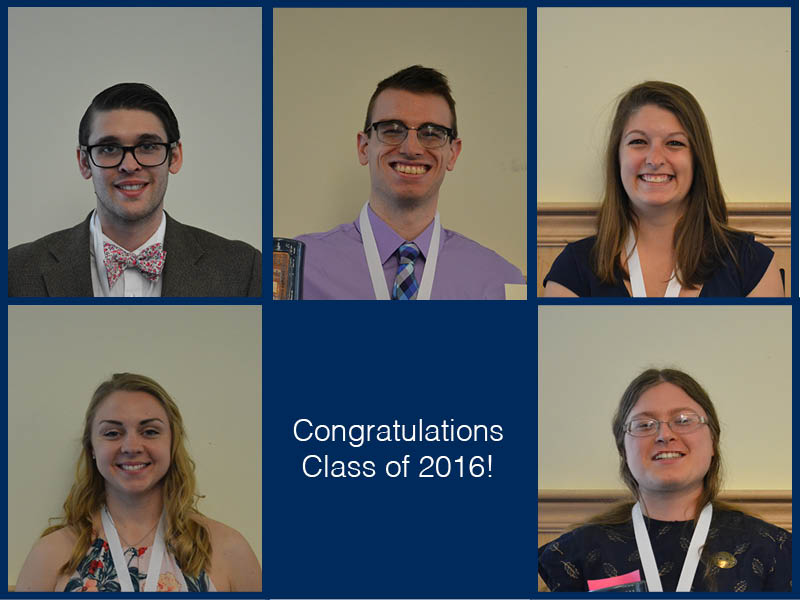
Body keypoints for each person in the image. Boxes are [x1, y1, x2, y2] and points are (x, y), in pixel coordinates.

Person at [538, 368, 791, 592]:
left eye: (683, 420)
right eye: (645, 425)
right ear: (623, 450)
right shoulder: (574, 553)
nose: (664, 434)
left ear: (713, 441)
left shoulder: (773, 550)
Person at [8, 83, 261, 297]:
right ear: (84, 162)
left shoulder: (242, 269)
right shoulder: (14, 271)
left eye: (148, 146)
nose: (129, 165)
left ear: (174, 157)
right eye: (109, 149)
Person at [15, 373, 262, 592]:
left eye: (150, 431)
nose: (132, 447)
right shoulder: (50, 555)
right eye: (112, 433)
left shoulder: (228, 550)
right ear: (92, 448)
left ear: (172, 444)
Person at [295, 65, 525, 300]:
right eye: (392, 130)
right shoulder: (296, 268)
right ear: (364, 147)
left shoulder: (502, 282)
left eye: (432, 133)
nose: (411, 148)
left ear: (453, 154)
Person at [543, 81, 783, 297]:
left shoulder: (753, 265)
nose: (655, 159)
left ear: (698, 159)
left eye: (675, 143)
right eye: (638, 142)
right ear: (617, 158)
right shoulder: (573, 269)